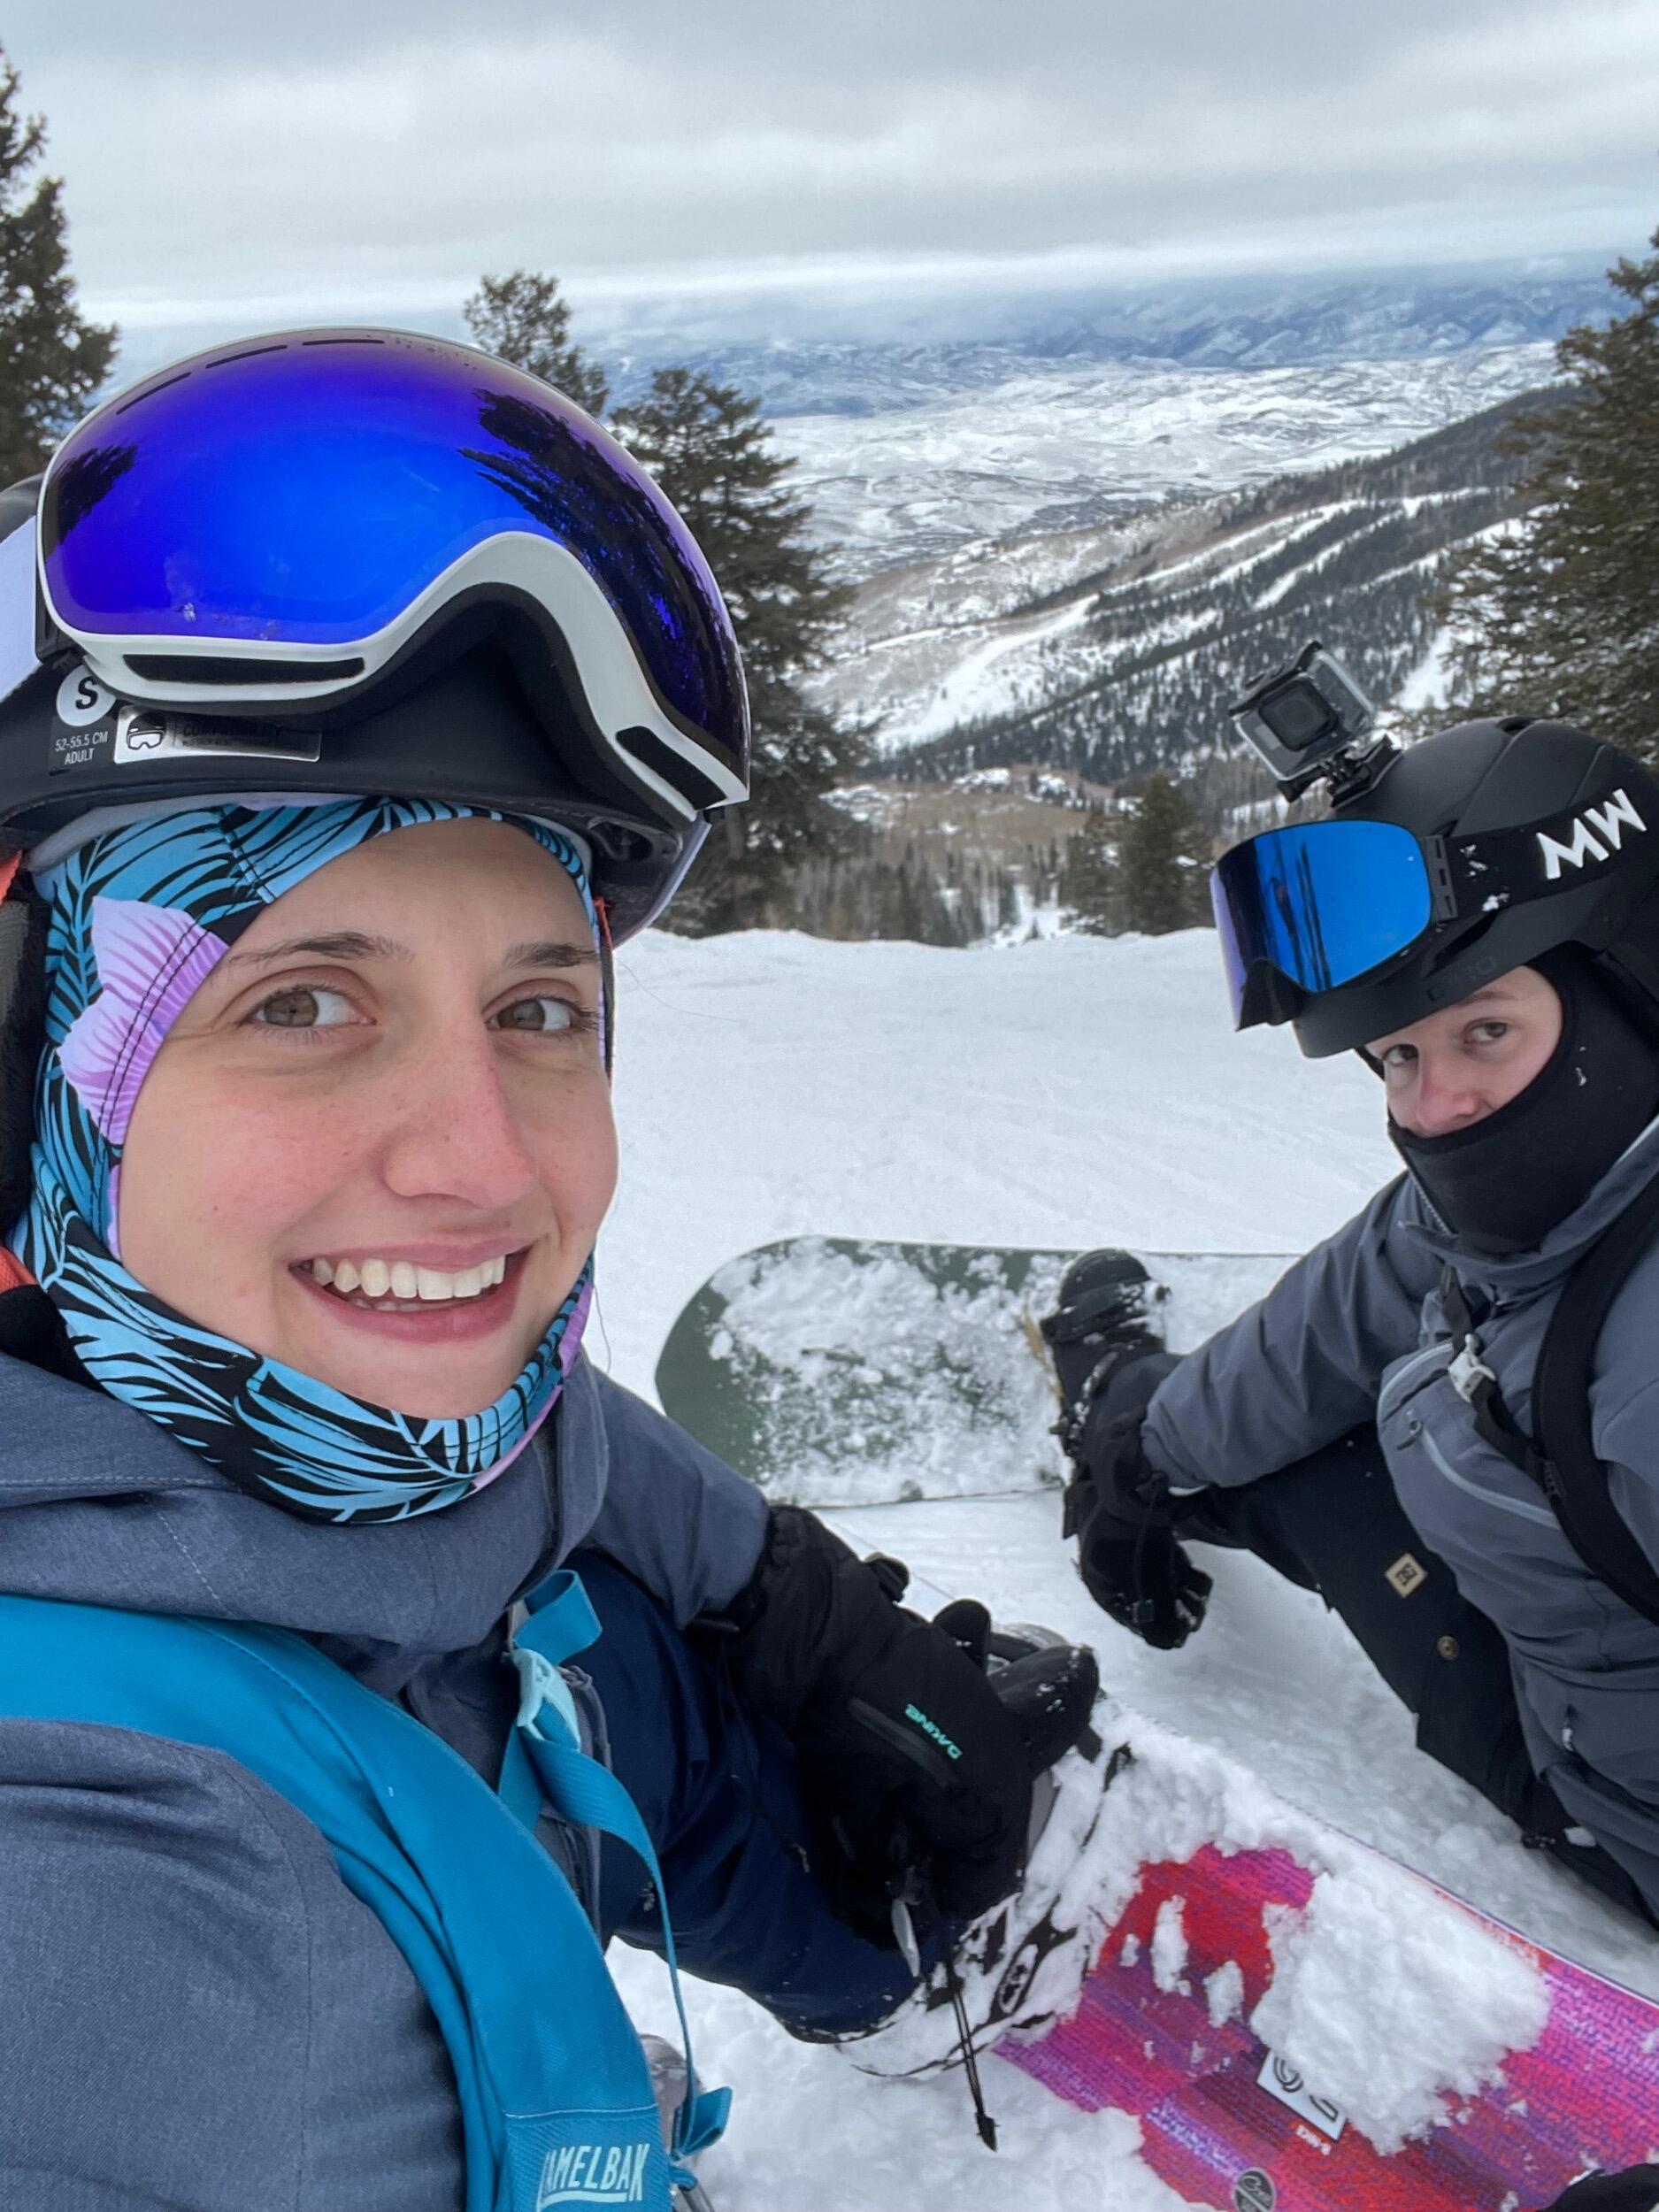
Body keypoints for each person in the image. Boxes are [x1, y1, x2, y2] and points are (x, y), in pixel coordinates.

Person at [0, 329, 1098, 2212]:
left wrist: (788, 1596)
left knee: (612, 1648)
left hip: (446, 1730)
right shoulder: (131, 1952)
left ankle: (877, 1953)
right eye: (303, 999)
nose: (488, 1160)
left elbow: (543, 1428)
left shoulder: (213, 1383)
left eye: (538, 1006)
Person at [1050, 710, 1659, 2212]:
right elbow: (1394, 1267)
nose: (1432, 1106)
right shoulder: (1556, 1186)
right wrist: (1143, 1448)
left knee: (1345, 1449)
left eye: (1487, 1034)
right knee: (1369, 1378)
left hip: (1603, 1794)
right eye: (1399, 1054)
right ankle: (1147, 1413)